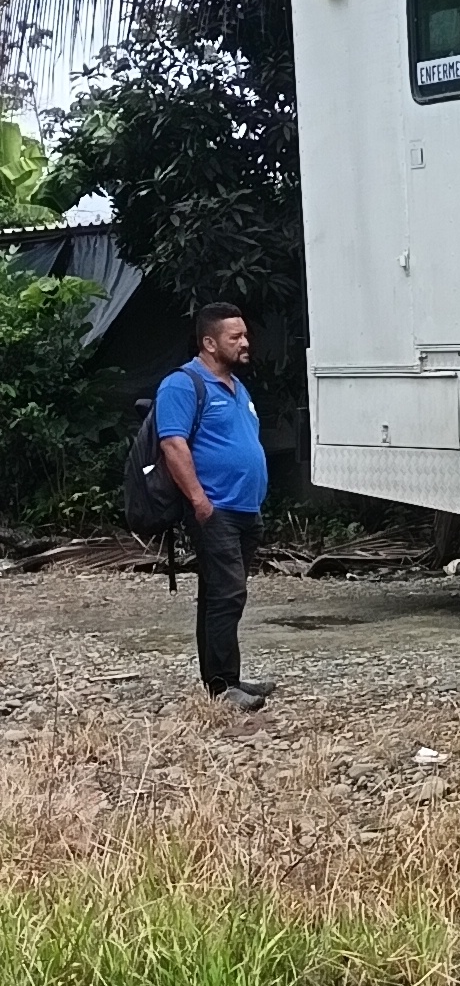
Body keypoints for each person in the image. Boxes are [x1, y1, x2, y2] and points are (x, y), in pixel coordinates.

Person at [154, 303, 271, 711]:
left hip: (244, 509)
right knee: (228, 594)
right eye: (234, 337)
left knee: (218, 595)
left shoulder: (236, 387)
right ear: (209, 342)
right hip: (215, 508)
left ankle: (224, 680)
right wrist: (199, 501)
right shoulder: (182, 385)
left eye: (245, 335)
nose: (245, 343)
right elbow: (173, 444)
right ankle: (224, 687)